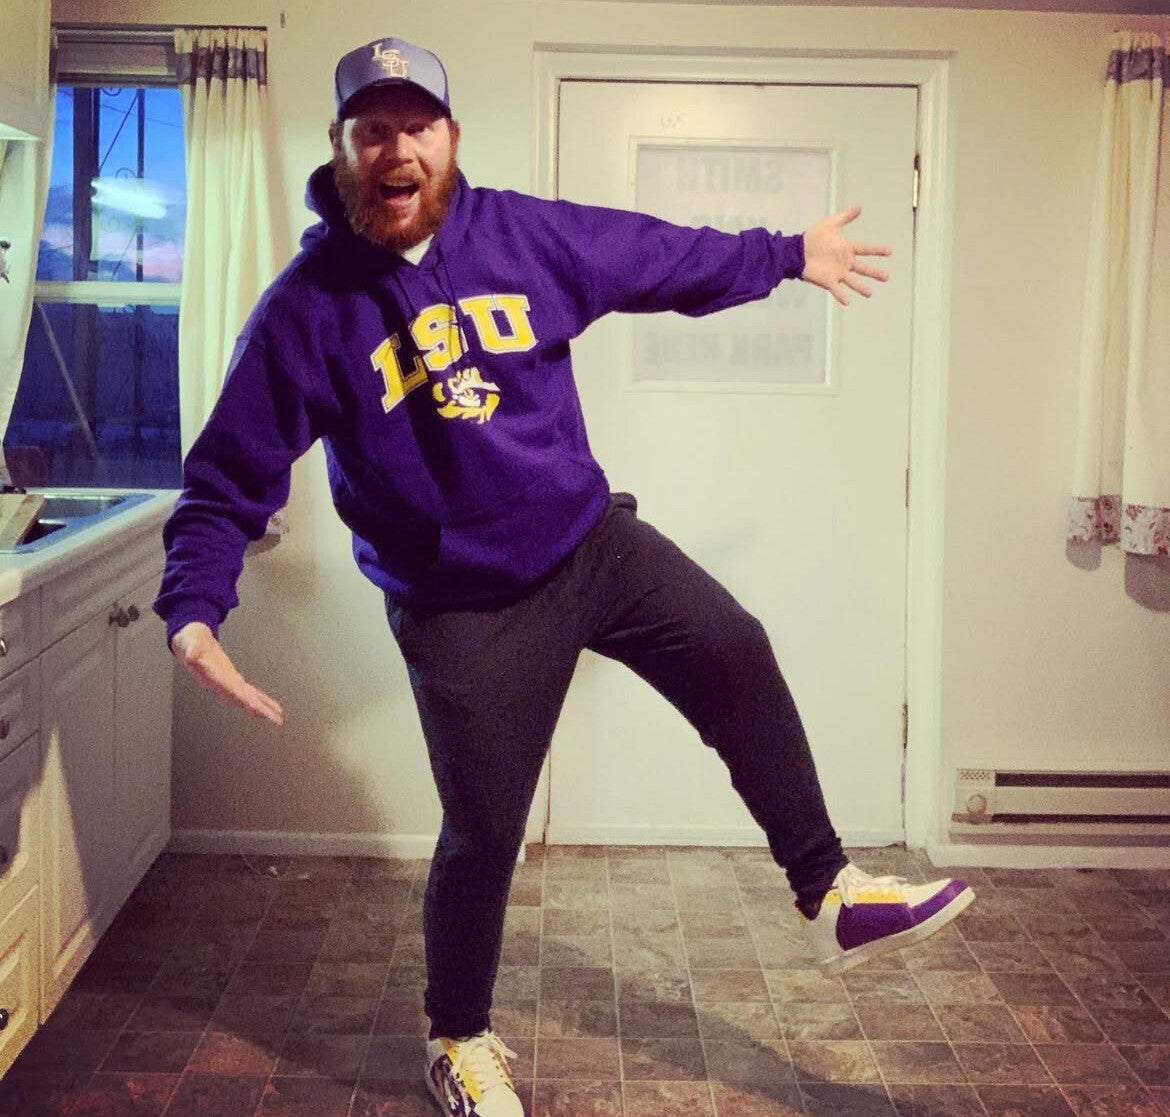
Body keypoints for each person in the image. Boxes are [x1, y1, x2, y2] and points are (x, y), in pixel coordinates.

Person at [156, 35, 974, 1117]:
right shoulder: (307, 309)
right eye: (373, 129)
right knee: (486, 829)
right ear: (343, 147)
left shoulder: (524, 236)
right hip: (458, 605)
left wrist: (785, 254)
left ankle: (830, 891)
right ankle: (457, 1039)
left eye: (418, 126)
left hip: (589, 544)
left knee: (734, 645)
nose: (397, 150)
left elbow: (660, 257)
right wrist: (194, 606)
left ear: (451, 139)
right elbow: (226, 479)